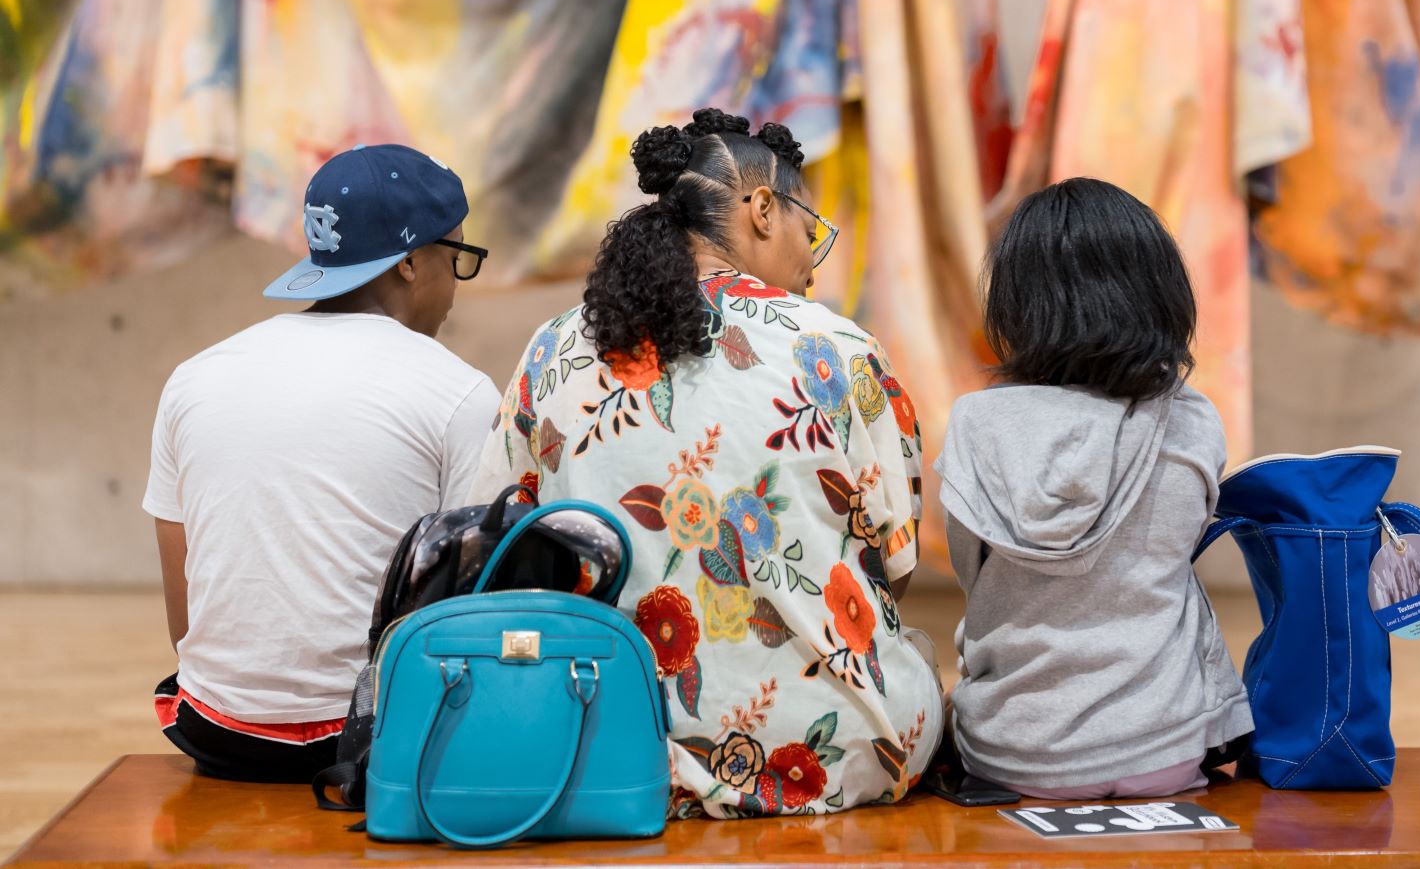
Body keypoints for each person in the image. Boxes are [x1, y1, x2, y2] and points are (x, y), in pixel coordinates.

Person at [473, 109, 942, 818]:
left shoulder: (556, 347)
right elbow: (896, 566)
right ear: (760, 209)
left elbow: (500, 531)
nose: (812, 256)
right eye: (806, 226)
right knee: (923, 657)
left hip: (616, 747)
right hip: (841, 754)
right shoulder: (839, 347)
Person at [143, 145, 499, 782]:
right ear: (413, 263)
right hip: (368, 743)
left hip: (214, 730)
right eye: (458, 258)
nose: (456, 286)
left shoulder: (193, 379)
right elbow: (473, 615)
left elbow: (185, 619)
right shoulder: (458, 393)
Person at [936, 177, 1253, 800]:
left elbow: (974, 579)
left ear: (1019, 304)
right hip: (1165, 749)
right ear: (1159, 294)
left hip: (1011, 756)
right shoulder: (1192, 420)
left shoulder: (976, 424)